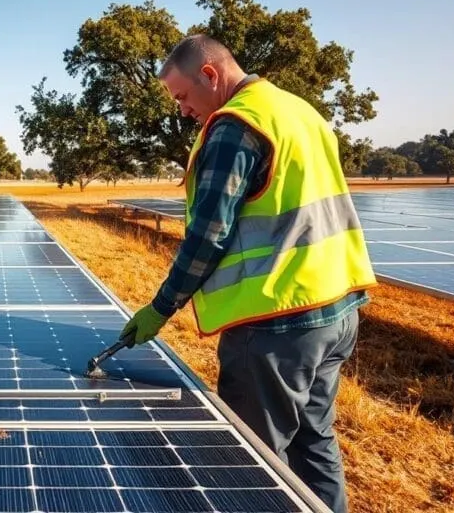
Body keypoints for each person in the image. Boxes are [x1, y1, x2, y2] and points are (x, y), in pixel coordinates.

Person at [120, 34, 377, 513]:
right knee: (314, 441)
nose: (183, 111)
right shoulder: (298, 110)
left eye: (183, 97)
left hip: (274, 325)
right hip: (336, 310)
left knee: (249, 466)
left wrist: (160, 308)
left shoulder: (235, 127)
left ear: (211, 75)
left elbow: (207, 236)